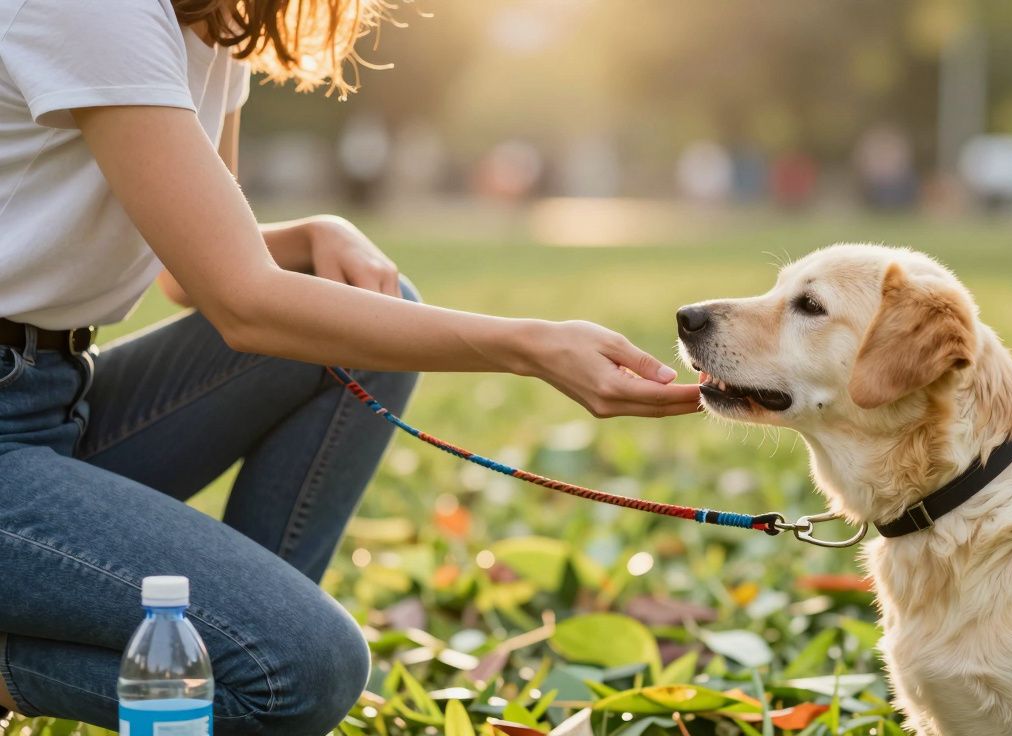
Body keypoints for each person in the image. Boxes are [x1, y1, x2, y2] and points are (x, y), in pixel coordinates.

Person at [0, 0, 701, 732]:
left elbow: (193, 264)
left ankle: (233, 651)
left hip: (51, 398)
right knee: (299, 673)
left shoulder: (214, 22)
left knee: (365, 324)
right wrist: (529, 346)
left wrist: (316, 231)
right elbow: (241, 303)